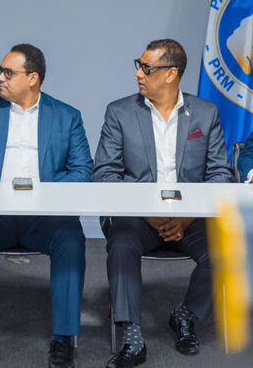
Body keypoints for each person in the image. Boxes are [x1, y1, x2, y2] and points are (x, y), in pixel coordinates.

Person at [93, 39, 234, 367]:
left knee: (226, 250)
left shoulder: (205, 113)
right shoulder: (120, 112)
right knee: (122, 243)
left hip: (190, 218)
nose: (138, 74)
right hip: (137, 217)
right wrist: (148, 214)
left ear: (171, 74)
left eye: (147, 68)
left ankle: (185, 313)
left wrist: (187, 217)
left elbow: (220, 175)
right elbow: (105, 174)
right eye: (139, 65)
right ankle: (132, 335)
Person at [0, 44, 92, 368]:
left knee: (71, 238)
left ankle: (63, 340)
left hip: (45, 216)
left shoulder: (67, 117)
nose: (0, 78)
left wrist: (45, 197)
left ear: (33, 78)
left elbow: (83, 170)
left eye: (8, 73)